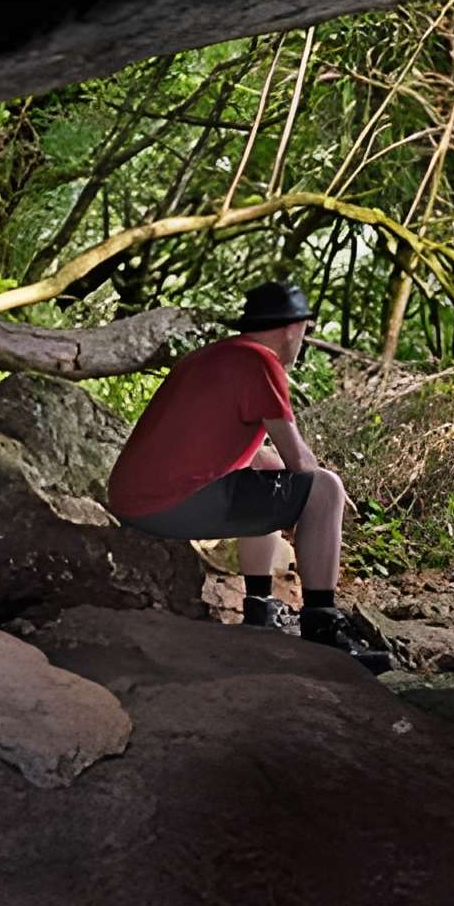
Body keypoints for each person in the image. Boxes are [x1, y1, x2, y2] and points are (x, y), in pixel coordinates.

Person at [105, 281, 379, 669]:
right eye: (305, 331)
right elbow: (300, 462)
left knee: (267, 467)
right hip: (170, 505)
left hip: (132, 499)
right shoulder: (260, 362)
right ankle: (323, 623)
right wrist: (330, 493)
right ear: (292, 328)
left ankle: (259, 604)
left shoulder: (211, 356)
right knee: (326, 487)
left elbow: (262, 457)